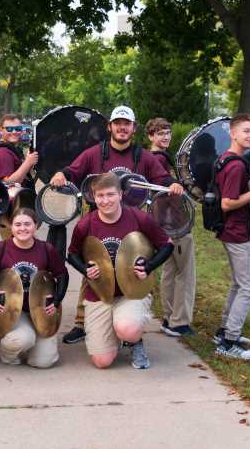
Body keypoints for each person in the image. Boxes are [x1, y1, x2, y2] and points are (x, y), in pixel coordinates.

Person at [51, 105, 184, 345]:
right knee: (92, 271)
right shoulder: (94, 153)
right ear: (110, 126)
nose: (122, 128)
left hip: (132, 225)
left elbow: (161, 178)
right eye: (118, 123)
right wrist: (61, 175)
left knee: (132, 269)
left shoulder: (143, 156)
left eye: (127, 124)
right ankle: (82, 323)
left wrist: (173, 183)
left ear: (133, 128)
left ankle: (130, 322)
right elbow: (73, 171)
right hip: (98, 222)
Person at [67, 173, 173, 369]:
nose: (105, 201)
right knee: (102, 361)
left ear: (121, 194)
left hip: (131, 292)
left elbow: (167, 245)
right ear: (93, 196)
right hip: (99, 293)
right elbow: (72, 254)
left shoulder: (138, 217)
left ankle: (133, 339)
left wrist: (148, 267)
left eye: (110, 195)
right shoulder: (85, 224)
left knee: (127, 329)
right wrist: (84, 269)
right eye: (100, 196)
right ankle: (111, 332)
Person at [212, 113, 250, 362]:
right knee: (248, 286)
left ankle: (225, 331)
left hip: (235, 230)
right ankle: (228, 342)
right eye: (246, 131)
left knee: (239, 283)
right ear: (233, 133)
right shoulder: (235, 165)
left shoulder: (227, 159)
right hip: (236, 231)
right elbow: (227, 203)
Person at [0, 209, 69, 367]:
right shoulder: (0, 249)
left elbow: (62, 274)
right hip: (13, 311)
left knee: (43, 362)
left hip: (40, 309)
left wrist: (57, 300)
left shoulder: (46, 249)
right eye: (18, 224)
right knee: (23, 339)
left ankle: (32, 340)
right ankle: (6, 349)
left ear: (36, 226)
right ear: (11, 227)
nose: (22, 228)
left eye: (27, 224)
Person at [146, 117, 196, 337]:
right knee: (185, 272)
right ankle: (180, 322)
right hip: (174, 223)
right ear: (150, 136)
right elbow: (165, 195)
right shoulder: (158, 160)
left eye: (167, 133)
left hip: (163, 223)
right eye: (160, 134)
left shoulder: (153, 158)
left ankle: (168, 317)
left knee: (170, 270)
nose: (165, 137)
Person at [0, 113, 39, 240]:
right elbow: (8, 182)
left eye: (18, 129)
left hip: (17, 210)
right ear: (1, 129)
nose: (14, 132)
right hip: (12, 212)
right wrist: (28, 162)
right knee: (16, 251)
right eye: (9, 129)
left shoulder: (12, 149)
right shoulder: (2, 152)